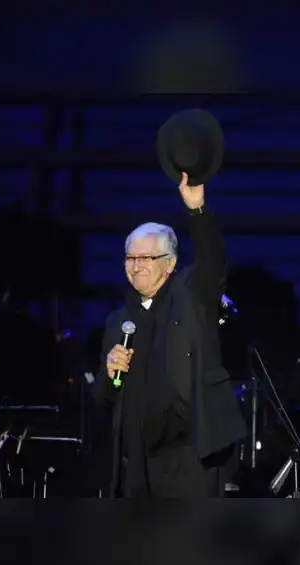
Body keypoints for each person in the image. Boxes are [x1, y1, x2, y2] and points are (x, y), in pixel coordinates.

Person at [91, 172, 247, 498]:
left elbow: (213, 264)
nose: (136, 266)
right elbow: (105, 397)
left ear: (170, 263)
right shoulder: (118, 321)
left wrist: (197, 209)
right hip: (133, 462)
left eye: (146, 258)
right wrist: (108, 373)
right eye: (130, 258)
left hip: (186, 457)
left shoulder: (189, 298)